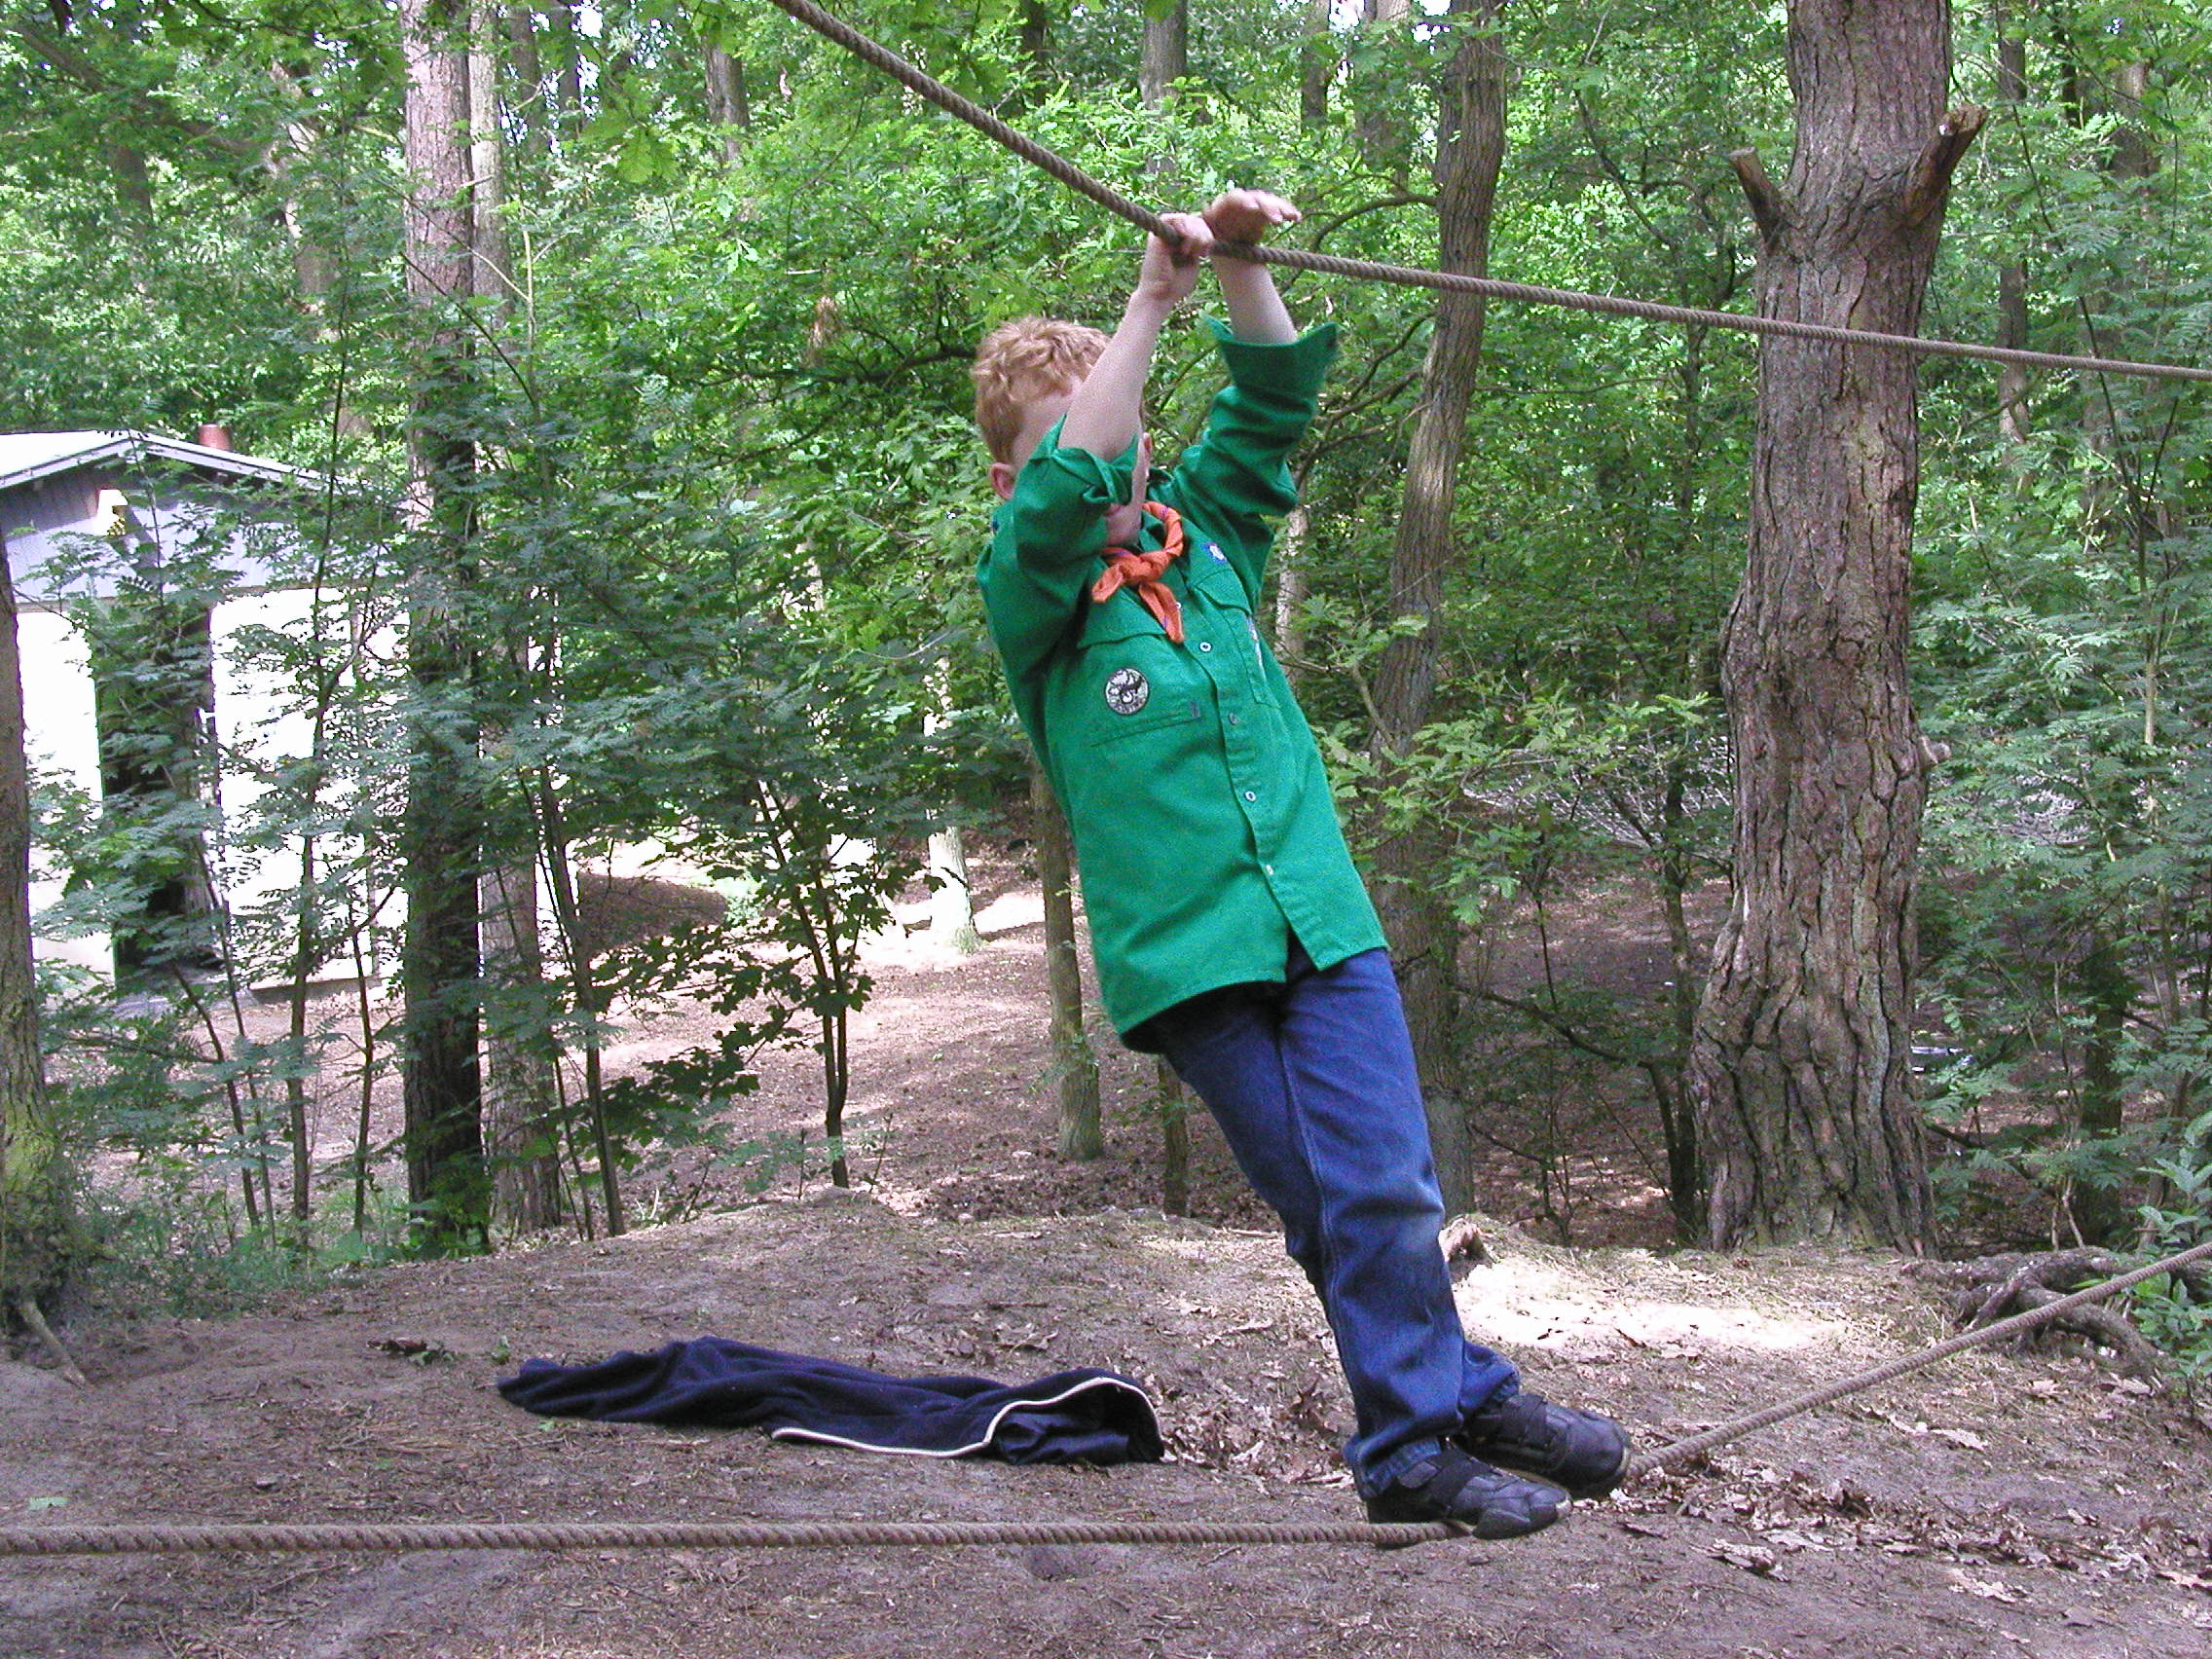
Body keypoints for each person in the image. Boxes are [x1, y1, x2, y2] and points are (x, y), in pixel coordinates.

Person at [971, 190, 1629, 1538]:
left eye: (1129, 443)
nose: (1115, 470)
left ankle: (1455, 1401)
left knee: (1386, 1182)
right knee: (1336, 1194)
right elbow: (1069, 491)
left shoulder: (1207, 537)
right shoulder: (1031, 597)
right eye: (1078, 447)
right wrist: (1148, 301)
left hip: (1321, 919)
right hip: (1194, 962)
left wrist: (1239, 264)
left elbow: (1271, 401)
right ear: (1010, 483)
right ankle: (1410, 1451)